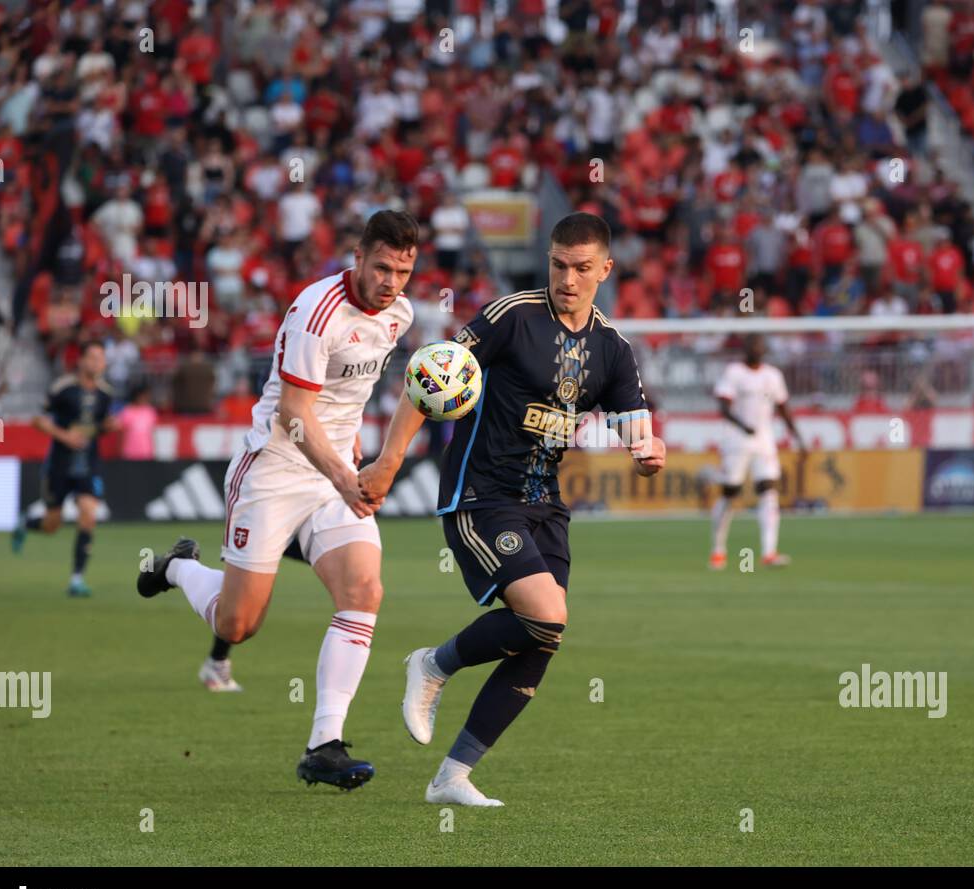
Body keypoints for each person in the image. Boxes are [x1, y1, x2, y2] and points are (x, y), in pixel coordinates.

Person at [357, 213, 667, 807]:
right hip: (481, 495)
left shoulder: (613, 350)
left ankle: (452, 776)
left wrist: (649, 453)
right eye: (557, 265)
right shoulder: (512, 316)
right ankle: (433, 663)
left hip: (545, 505)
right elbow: (430, 375)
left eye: (581, 269)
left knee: (542, 637)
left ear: (605, 269)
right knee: (547, 614)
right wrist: (389, 464)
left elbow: (640, 437)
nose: (567, 279)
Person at [134, 211, 419, 791]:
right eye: (383, 267)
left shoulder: (400, 315)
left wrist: (378, 460)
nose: (392, 282)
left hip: (333, 475)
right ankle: (178, 567)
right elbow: (293, 415)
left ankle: (324, 744)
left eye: (405, 271)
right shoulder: (317, 311)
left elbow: (362, 398)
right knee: (238, 625)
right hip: (274, 470)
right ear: (358, 256)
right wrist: (344, 474)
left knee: (364, 590)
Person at [12, 341, 120, 597]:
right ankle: (26, 523)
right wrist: (64, 436)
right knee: (52, 525)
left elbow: (101, 425)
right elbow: (38, 420)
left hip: (89, 465)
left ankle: (76, 579)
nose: (97, 363)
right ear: (81, 361)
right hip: (60, 464)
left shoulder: (106, 394)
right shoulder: (63, 388)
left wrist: (109, 427)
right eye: (92, 357)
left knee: (88, 514)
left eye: (101, 358)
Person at [708, 334, 806, 570]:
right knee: (731, 492)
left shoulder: (773, 376)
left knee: (768, 489)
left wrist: (799, 439)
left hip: (764, 440)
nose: (758, 348)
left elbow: (784, 408)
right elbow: (723, 405)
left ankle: (769, 551)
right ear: (746, 349)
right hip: (736, 439)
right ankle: (718, 549)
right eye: (754, 345)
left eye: (761, 345)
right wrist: (742, 425)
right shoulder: (734, 373)